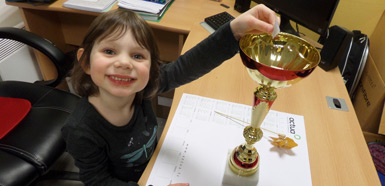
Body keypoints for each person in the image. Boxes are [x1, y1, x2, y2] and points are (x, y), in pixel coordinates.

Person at [61, 4, 278, 186]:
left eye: (137, 55)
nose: (124, 63)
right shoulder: (80, 130)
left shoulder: (142, 89)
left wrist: (233, 31)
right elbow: (98, 182)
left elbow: (186, 66)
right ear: (85, 61)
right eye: (109, 51)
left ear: (151, 68)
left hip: (156, 166)